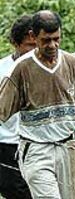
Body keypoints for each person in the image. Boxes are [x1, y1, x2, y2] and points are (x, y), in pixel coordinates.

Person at [0, 10, 75, 199]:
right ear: (34, 36)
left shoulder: (73, 65)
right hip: (37, 150)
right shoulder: (21, 69)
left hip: (68, 147)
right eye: (46, 40)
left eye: (56, 39)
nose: (52, 45)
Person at [0, 15, 35, 199]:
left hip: (37, 146)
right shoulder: (3, 70)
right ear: (15, 43)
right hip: (8, 146)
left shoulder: (45, 70)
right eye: (29, 46)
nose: (33, 52)